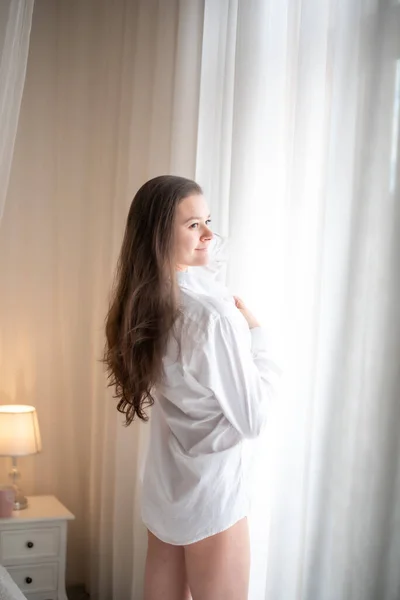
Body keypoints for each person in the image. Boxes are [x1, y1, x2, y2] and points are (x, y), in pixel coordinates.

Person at [104, 175, 280, 600]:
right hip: (214, 493)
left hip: (167, 491)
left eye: (207, 221)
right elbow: (254, 419)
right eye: (192, 225)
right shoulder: (213, 315)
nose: (208, 234)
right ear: (159, 235)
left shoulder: (142, 304)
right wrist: (260, 338)